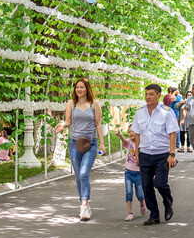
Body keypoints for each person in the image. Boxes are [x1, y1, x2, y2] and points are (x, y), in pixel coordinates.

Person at [55, 78, 105, 221]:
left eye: (82, 87)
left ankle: (84, 205)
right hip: (74, 144)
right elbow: (69, 121)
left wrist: (102, 144)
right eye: (77, 87)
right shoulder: (71, 103)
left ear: (87, 89)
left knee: (84, 173)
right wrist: (62, 125)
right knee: (78, 175)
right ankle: (84, 203)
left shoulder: (94, 104)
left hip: (91, 144)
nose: (79, 90)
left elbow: (98, 124)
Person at [131, 84, 179, 225]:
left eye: (151, 94)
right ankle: (154, 215)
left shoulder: (166, 112)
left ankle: (168, 203)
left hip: (162, 154)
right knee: (146, 186)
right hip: (145, 153)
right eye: (146, 94)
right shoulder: (140, 112)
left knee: (160, 183)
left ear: (159, 95)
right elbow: (137, 135)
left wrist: (172, 154)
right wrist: (137, 155)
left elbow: (172, 134)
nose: (148, 97)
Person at [115, 126, 147, 221]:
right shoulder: (129, 142)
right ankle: (130, 213)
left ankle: (142, 203)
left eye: (133, 131)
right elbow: (125, 141)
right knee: (128, 193)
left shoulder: (142, 144)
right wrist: (120, 135)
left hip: (139, 173)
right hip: (128, 172)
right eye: (129, 132)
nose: (131, 133)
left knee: (140, 194)